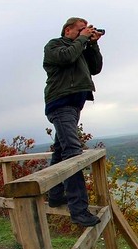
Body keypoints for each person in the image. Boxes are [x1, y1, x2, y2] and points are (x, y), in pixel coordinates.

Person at [43, 17, 104, 227]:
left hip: (73, 106)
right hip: (60, 103)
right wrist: (83, 40)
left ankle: (56, 195)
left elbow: (95, 68)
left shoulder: (80, 48)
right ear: (68, 30)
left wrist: (93, 44)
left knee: (60, 151)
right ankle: (79, 211)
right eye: (80, 30)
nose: (84, 33)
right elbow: (66, 58)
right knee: (72, 151)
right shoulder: (55, 46)